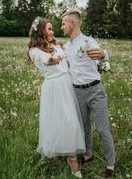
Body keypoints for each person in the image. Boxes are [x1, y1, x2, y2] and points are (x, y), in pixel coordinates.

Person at [27, 16, 86, 178]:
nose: (53, 31)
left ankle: (71, 157)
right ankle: (62, 152)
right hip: (54, 87)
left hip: (67, 85)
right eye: (49, 28)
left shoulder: (57, 45)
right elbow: (46, 60)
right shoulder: (34, 51)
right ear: (40, 32)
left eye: (52, 28)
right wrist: (52, 59)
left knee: (70, 120)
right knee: (57, 121)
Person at [61, 10, 115, 178]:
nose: (61, 26)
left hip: (95, 90)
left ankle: (110, 163)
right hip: (77, 92)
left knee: (102, 128)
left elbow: (104, 65)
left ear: (73, 24)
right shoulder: (66, 47)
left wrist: (104, 54)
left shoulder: (88, 41)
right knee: (84, 127)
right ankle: (88, 154)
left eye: (63, 23)